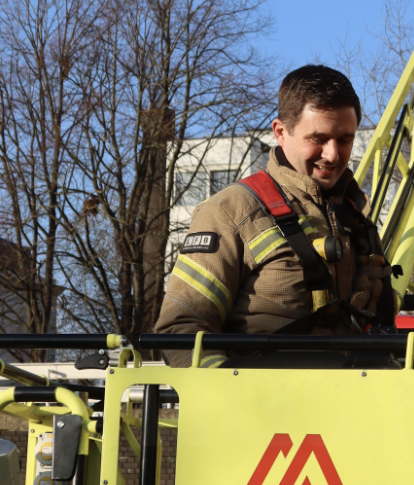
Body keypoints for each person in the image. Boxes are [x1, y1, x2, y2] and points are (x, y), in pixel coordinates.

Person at [154, 65, 393, 367]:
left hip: (352, 407)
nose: (332, 154)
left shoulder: (357, 218)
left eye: (344, 139)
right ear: (280, 132)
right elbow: (180, 329)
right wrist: (234, 395)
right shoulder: (231, 212)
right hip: (260, 409)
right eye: (318, 139)